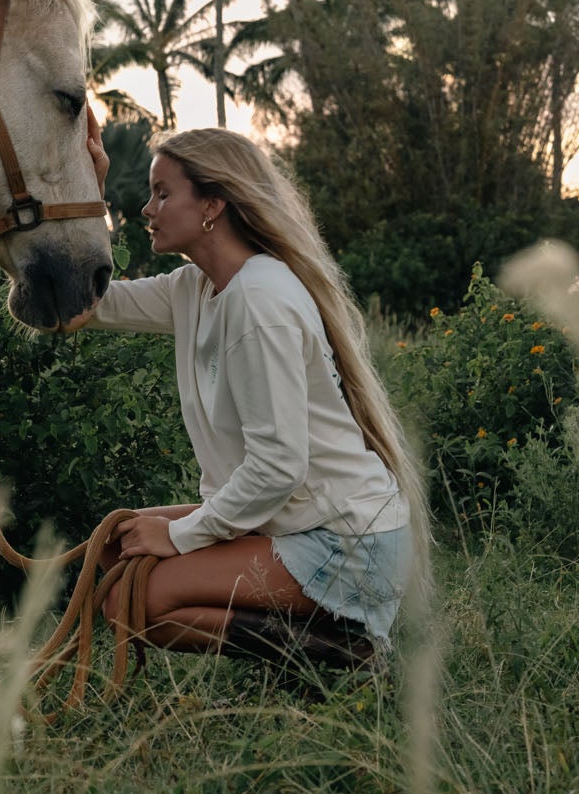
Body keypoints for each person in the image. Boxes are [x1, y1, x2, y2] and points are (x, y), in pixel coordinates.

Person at [74, 115, 416, 651]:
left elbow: (279, 465)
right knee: (117, 551)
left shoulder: (260, 300)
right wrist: (83, 192)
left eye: (163, 194)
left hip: (344, 542)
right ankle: (317, 646)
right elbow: (81, 306)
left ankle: (343, 653)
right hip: (295, 521)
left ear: (212, 206)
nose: (146, 210)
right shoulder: (196, 287)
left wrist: (179, 535)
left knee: (129, 604)